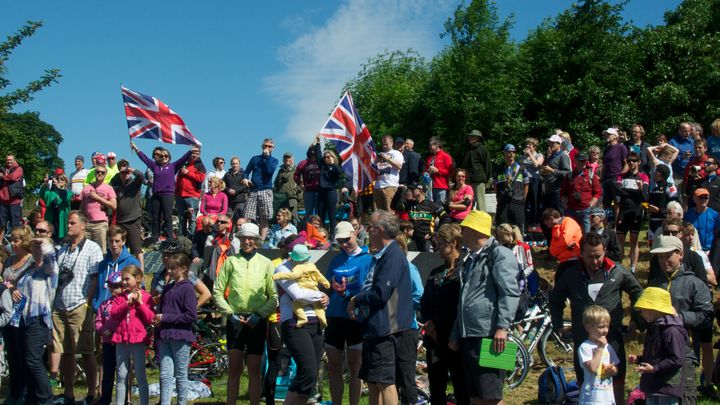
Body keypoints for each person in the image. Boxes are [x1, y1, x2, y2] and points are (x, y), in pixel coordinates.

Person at [549, 232, 643, 405]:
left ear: (605, 251)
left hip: (612, 337)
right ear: (581, 254)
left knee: (616, 381)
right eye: (590, 256)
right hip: (582, 337)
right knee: (585, 380)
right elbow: (555, 299)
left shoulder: (618, 271)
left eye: (598, 256)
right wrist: (558, 324)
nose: (594, 261)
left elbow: (638, 293)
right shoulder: (571, 274)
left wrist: (636, 320)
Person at [447, 210, 519, 405]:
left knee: (492, 396)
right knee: (476, 396)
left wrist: (502, 327)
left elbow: (509, 292)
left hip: (491, 336)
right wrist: (456, 334)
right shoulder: (470, 258)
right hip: (469, 335)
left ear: (476, 230)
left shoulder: (499, 254)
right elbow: (464, 300)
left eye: (466, 228)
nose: (462, 232)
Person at [347, 210, 414, 405]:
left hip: (386, 330)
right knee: (374, 380)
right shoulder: (382, 257)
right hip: (375, 329)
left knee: (385, 382)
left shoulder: (392, 256)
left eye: (370, 228)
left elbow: (380, 293)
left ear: (380, 230)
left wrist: (356, 300)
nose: (367, 232)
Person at [213, 222, 278, 405]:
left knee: (254, 368)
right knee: (234, 367)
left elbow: (274, 296)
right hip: (235, 319)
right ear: (240, 240)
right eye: (244, 238)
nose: (247, 241)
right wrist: (229, 313)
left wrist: (260, 314)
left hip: (257, 320)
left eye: (251, 238)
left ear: (256, 241)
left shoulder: (265, 263)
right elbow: (217, 291)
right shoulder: (231, 261)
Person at [646, 235, 713, 401]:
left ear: (681, 254)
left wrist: (679, 316)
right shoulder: (654, 284)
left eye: (668, 255)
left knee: (684, 399)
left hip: (684, 354)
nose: (664, 260)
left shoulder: (694, 283)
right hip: (656, 357)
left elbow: (706, 316)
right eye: (660, 256)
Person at [53, 211, 103, 405]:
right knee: (66, 352)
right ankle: (68, 393)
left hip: (80, 304)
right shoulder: (63, 249)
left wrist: (87, 303)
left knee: (86, 350)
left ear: (83, 225)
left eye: (73, 223)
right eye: (68, 223)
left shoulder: (92, 248)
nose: (69, 226)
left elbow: (95, 278)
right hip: (60, 305)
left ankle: (92, 393)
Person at [273, 243, 329, 405]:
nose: (303, 262)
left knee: (311, 376)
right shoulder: (282, 269)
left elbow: (314, 291)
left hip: (315, 321)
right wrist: (320, 295)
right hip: (294, 322)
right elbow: (298, 294)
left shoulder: (308, 267)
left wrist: (326, 298)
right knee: (307, 372)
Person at [323, 221, 372, 405]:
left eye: (346, 239)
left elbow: (366, 289)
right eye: (339, 241)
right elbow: (327, 285)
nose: (344, 244)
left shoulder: (367, 258)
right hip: (334, 316)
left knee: (355, 366)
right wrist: (324, 294)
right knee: (333, 365)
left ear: (355, 233)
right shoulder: (336, 259)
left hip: (355, 317)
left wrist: (347, 293)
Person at [420, 223, 469, 405]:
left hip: (457, 340)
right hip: (435, 339)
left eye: (441, 244)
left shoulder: (466, 271)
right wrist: (429, 322)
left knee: (462, 387)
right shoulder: (436, 273)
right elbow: (425, 301)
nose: (437, 248)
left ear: (453, 243)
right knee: (436, 388)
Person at [7, 237, 58, 405]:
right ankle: (31, 398)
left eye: (39, 248)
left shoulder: (48, 268)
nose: (36, 250)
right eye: (34, 247)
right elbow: (14, 283)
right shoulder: (29, 268)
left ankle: (46, 399)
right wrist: (14, 290)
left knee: (33, 360)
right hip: (22, 318)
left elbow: (50, 257)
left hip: (38, 319)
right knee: (24, 361)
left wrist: (45, 244)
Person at [630, 287, 689, 405]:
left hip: (666, 389)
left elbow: (676, 359)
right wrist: (639, 359)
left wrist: (654, 368)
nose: (641, 313)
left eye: (644, 309)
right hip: (653, 388)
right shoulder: (654, 328)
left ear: (656, 309)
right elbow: (657, 356)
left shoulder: (671, 330)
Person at [154, 253, 198, 405]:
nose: (170, 271)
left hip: (181, 336)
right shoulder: (168, 288)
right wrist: (158, 322)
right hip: (165, 336)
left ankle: (181, 402)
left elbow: (190, 315)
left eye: (174, 268)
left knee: (180, 374)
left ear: (184, 268)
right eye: (169, 268)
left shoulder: (188, 288)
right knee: (165, 374)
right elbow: (162, 310)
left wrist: (166, 318)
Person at [131, 141, 194, 243]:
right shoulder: (155, 166)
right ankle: (155, 237)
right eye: (161, 156)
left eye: (166, 156)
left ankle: (170, 238)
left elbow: (183, 159)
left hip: (167, 195)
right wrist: (136, 149)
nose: (164, 157)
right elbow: (145, 159)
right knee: (155, 218)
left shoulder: (173, 166)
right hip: (156, 195)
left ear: (169, 157)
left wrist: (191, 151)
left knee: (167, 217)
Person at [110, 265, 154, 405]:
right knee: (121, 375)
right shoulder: (120, 298)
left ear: (138, 279)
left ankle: (144, 402)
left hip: (138, 340)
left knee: (140, 375)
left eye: (127, 279)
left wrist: (140, 303)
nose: (124, 282)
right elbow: (114, 314)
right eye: (122, 280)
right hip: (122, 339)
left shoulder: (146, 297)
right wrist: (126, 304)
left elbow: (150, 318)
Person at [2, 226, 36, 402]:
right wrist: (9, 287)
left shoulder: (32, 261)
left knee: (25, 354)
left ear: (24, 242)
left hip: (25, 313)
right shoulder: (9, 261)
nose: (13, 244)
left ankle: (26, 392)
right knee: (12, 353)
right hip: (8, 313)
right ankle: (14, 392)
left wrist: (15, 287)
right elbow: (4, 281)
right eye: (12, 240)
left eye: (16, 240)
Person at [150, 238, 213, 308]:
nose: (165, 257)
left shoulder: (187, 275)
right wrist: (158, 299)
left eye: (168, 255)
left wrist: (192, 309)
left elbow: (207, 294)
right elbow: (151, 299)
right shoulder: (158, 274)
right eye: (163, 254)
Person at [615, 152, 650, 273]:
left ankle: (633, 269)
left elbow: (644, 197)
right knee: (620, 242)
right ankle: (618, 267)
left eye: (634, 160)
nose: (631, 163)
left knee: (633, 242)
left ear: (639, 162)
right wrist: (636, 192)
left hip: (636, 211)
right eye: (629, 160)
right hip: (623, 211)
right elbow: (618, 191)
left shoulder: (644, 177)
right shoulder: (621, 176)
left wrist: (629, 191)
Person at [577, 305, 619, 405]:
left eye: (607, 326)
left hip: (607, 397)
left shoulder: (608, 347)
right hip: (591, 397)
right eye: (601, 327)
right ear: (588, 327)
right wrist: (600, 348)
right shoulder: (585, 347)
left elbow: (616, 368)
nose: (605, 330)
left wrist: (613, 370)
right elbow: (593, 369)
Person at [93, 271, 122, 405]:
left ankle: (124, 399)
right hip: (107, 342)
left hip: (121, 343)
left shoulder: (125, 303)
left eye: (116, 286)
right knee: (107, 372)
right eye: (111, 285)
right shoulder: (105, 304)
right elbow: (98, 320)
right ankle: (105, 398)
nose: (113, 289)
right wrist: (102, 330)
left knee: (123, 373)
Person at [110, 159, 145, 268]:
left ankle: (141, 272)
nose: (125, 174)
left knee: (137, 249)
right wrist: (119, 172)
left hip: (133, 220)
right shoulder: (117, 187)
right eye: (122, 172)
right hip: (121, 221)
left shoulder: (135, 184)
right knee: (121, 247)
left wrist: (130, 170)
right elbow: (108, 187)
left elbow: (141, 176)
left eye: (126, 172)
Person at [243, 138, 279, 241]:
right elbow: (246, 171)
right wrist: (245, 178)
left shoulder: (274, 160)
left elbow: (269, 171)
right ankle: (247, 238)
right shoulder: (254, 158)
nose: (266, 148)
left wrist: (266, 157)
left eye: (269, 146)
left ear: (273, 148)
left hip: (266, 190)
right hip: (253, 190)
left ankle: (261, 241)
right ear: (261, 146)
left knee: (264, 218)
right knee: (247, 216)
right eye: (265, 146)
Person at [394, 183, 447, 252]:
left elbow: (446, 218)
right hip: (413, 239)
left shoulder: (432, 205)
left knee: (427, 260)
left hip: (427, 240)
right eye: (410, 190)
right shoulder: (410, 204)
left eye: (413, 189)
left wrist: (436, 232)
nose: (411, 191)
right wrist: (399, 191)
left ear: (420, 190)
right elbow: (394, 206)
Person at [561, 152, 601, 234]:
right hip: (571, 210)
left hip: (585, 210)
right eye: (581, 161)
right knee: (570, 234)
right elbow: (563, 193)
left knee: (586, 235)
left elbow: (597, 192)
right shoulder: (569, 176)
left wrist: (591, 204)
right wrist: (565, 205)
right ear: (575, 161)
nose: (583, 163)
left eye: (585, 161)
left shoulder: (591, 175)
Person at [80, 164, 117, 253]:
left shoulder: (108, 188)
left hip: (100, 224)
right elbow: (82, 206)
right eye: (97, 172)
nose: (100, 174)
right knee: (84, 250)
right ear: (94, 173)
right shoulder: (86, 188)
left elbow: (114, 205)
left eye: (102, 172)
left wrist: (98, 198)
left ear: (105, 175)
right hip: (87, 223)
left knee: (100, 251)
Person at [493, 144, 530, 233]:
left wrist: (523, 198)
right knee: (502, 226)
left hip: (517, 201)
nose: (511, 154)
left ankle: (517, 244)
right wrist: (499, 197)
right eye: (509, 152)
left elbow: (526, 185)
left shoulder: (521, 168)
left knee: (517, 227)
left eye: (513, 152)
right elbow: (495, 186)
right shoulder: (499, 169)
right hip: (503, 202)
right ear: (504, 153)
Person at [314, 135, 343, 235]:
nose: (326, 159)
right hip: (321, 193)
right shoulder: (323, 166)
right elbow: (318, 155)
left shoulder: (336, 167)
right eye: (325, 157)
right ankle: (320, 236)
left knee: (331, 216)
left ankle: (333, 236)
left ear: (333, 157)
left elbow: (339, 173)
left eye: (328, 157)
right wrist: (318, 143)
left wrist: (333, 164)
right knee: (320, 216)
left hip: (331, 192)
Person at [175, 145, 206, 237]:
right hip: (181, 195)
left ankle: (191, 238)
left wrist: (188, 173)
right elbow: (178, 180)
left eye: (197, 153)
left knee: (192, 218)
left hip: (192, 196)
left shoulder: (200, 165)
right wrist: (176, 193)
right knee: (181, 218)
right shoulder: (184, 164)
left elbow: (201, 178)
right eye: (193, 153)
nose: (195, 155)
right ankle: (181, 238)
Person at [543, 208, 582, 281]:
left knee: (561, 280)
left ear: (551, 218)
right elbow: (552, 251)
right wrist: (564, 246)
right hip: (565, 260)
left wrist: (559, 246)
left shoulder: (568, 221)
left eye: (547, 223)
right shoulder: (555, 228)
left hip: (574, 259)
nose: (548, 226)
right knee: (559, 279)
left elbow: (565, 240)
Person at [539, 134, 572, 212]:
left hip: (558, 191)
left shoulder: (563, 156)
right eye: (549, 143)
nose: (550, 145)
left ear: (559, 144)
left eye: (553, 143)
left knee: (558, 214)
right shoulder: (551, 156)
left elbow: (568, 174)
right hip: (548, 191)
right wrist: (544, 172)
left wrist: (552, 171)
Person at [647, 164, 679, 241]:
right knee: (652, 246)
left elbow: (675, 206)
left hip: (664, 222)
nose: (652, 173)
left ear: (659, 173)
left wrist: (659, 210)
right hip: (652, 221)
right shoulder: (654, 189)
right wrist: (647, 206)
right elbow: (647, 203)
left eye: (654, 171)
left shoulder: (670, 187)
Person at [373, 135, 404, 213]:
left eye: (387, 144)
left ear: (392, 143)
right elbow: (373, 169)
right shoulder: (380, 154)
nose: (385, 146)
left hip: (390, 185)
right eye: (383, 144)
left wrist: (387, 159)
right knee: (379, 213)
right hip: (378, 185)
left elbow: (399, 166)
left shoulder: (396, 153)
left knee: (390, 211)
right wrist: (376, 161)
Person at [684, 188, 720, 253]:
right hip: (694, 249)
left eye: (706, 198)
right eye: (700, 197)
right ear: (694, 199)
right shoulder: (688, 215)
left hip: (710, 250)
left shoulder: (714, 214)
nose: (703, 200)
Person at [602, 127, 629, 210]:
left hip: (616, 178)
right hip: (607, 179)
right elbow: (604, 165)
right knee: (605, 204)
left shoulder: (621, 147)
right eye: (606, 134)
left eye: (609, 134)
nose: (607, 136)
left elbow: (627, 164)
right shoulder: (606, 149)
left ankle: (617, 222)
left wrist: (620, 178)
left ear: (615, 136)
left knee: (617, 203)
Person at [464, 130, 492, 212]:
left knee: (480, 203)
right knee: (469, 202)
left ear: (478, 138)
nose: (470, 138)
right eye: (469, 136)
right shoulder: (469, 150)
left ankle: (483, 222)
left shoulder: (482, 149)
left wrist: (486, 180)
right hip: (469, 180)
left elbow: (488, 165)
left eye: (472, 136)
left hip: (479, 180)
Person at [39, 173, 72, 241]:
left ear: (66, 182)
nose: (59, 180)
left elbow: (65, 199)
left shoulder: (68, 193)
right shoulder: (50, 193)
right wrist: (45, 184)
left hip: (62, 223)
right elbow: (42, 195)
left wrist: (58, 188)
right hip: (51, 221)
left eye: (62, 179)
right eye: (57, 179)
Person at [521, 137, 545, 228]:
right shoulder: (523, 156)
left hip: (534, 180)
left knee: (534, 201)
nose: (528, 146)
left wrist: (530, 155)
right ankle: (525, 221)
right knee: (524, 200)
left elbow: (537, 166)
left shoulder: (539, 155)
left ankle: (535, 221)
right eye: (527, 144)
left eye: (530, 144)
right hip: (524, 181)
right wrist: (524, 156)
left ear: (534, 146)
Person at [0, 154, 24, 237]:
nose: (9, 161)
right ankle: (0, 243)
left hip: (14, 200)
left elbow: (13, 177)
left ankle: (15, 242)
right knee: (1, 223)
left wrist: (3, 176)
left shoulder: (19, 169)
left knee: (15, 223)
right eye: (7, 160)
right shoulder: (2, 169)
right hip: (3, 201)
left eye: (11, 160)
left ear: (14, 160)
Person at [273, 152, 302, 219]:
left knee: (293, 217)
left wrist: (297, 192)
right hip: (281, 198)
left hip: (292, 197)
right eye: (285, 158)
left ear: (292, 160)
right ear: (283, 160)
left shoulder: (297, 170)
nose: (287, 159)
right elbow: (275, 184)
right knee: (281, 217)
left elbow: (301, 183)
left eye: (288, 157)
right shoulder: (280, 171)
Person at [425, 136, 454, 204]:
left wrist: (438, 171)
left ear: (437, 145)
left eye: (431, 145)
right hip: (429, 186)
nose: (429, 147)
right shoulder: (429, 158)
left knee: (440, 207)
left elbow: (450, 172)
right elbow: (426, 170)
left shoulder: (445, 156)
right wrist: (426, 173)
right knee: (431, 207)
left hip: (441, 186)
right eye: (429, 145)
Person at [294, 145, 321, 217]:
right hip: (308, 191)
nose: (312, 154)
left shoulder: (321, 162)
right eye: (311, 152)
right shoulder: (303, 163)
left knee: (320, 213)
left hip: (320, 191)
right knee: (309, 213)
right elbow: (296, 176)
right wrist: (300, 184)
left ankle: (320, 228)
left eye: (314, 152)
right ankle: (309, 228)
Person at [670, 122, 696, 188]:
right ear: (679, 131)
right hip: (677, 173)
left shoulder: (692, 141)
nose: (687, 134)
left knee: (687, 194)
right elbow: (669, 158)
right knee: (677, 194)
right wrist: (681, 157)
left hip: (689, 173)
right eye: (685, 131)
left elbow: (695, 155)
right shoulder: (672, 142)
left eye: (689, 131)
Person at [223, 156, 249, 221]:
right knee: (228, 219)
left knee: (239, 218)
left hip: (240, 200)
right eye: (233, 163)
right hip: (229, 201)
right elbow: (222, 185)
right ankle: (229, 231)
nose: (235, 165)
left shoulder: (244, 174)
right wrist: (228, 189)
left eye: (236, 163)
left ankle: (238, 231)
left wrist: (236, 191)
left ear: (239, 164)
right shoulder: (227, 174)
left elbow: (246, 186)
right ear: (231, 164)